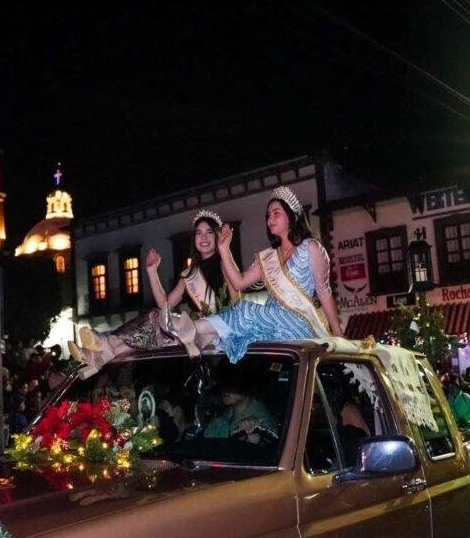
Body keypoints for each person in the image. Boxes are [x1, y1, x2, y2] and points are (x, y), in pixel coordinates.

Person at [167, 187, 344, 363]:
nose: (270, 219)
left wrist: (339, 336)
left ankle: (190, 327)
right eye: (268, 215)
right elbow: (239, 283)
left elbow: (324, 291)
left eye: (276, 213)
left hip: (299, 322)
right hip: (272, 323)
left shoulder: (311, 247)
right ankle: (197, 337)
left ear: (293, 215)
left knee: (245, 309)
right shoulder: (269, 256)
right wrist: (224, 249)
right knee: (235, 334)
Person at [70, 209, 238, 375]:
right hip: (190, 334)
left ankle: (106, 343)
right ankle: (101, 355)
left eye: (209, 232)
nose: (204, 238)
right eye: (199, 233)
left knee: (155, 319)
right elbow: (165, 305)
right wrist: (152, 271)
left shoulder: (225, 264)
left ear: (217, 236)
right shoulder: (189, 273)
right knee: (150, 329)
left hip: (216, 331)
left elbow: (237, 301)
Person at [204, 378, 278, 445]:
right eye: (224, 383)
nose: (225, 388)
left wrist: (256, 437)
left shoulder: (263, 422)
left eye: (233, 383)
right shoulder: (219, 421)